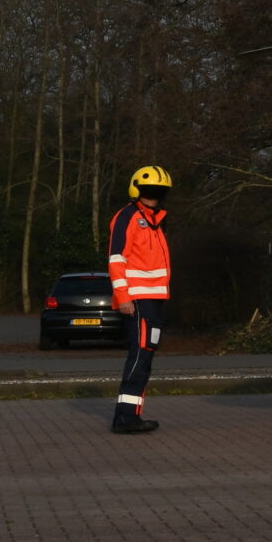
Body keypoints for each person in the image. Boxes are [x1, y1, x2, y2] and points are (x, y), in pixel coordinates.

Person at [109, 166, 173, 434]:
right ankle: (125, 417)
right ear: (137, 191)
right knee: (139, 356)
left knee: (145, 355)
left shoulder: (155, 221)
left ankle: (130, 415)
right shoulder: (128, 217)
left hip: (154, 299)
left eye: (159, 192)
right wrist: (123, 297)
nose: (154, 197)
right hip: (137, 300)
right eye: (149, 191)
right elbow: (116, 259)